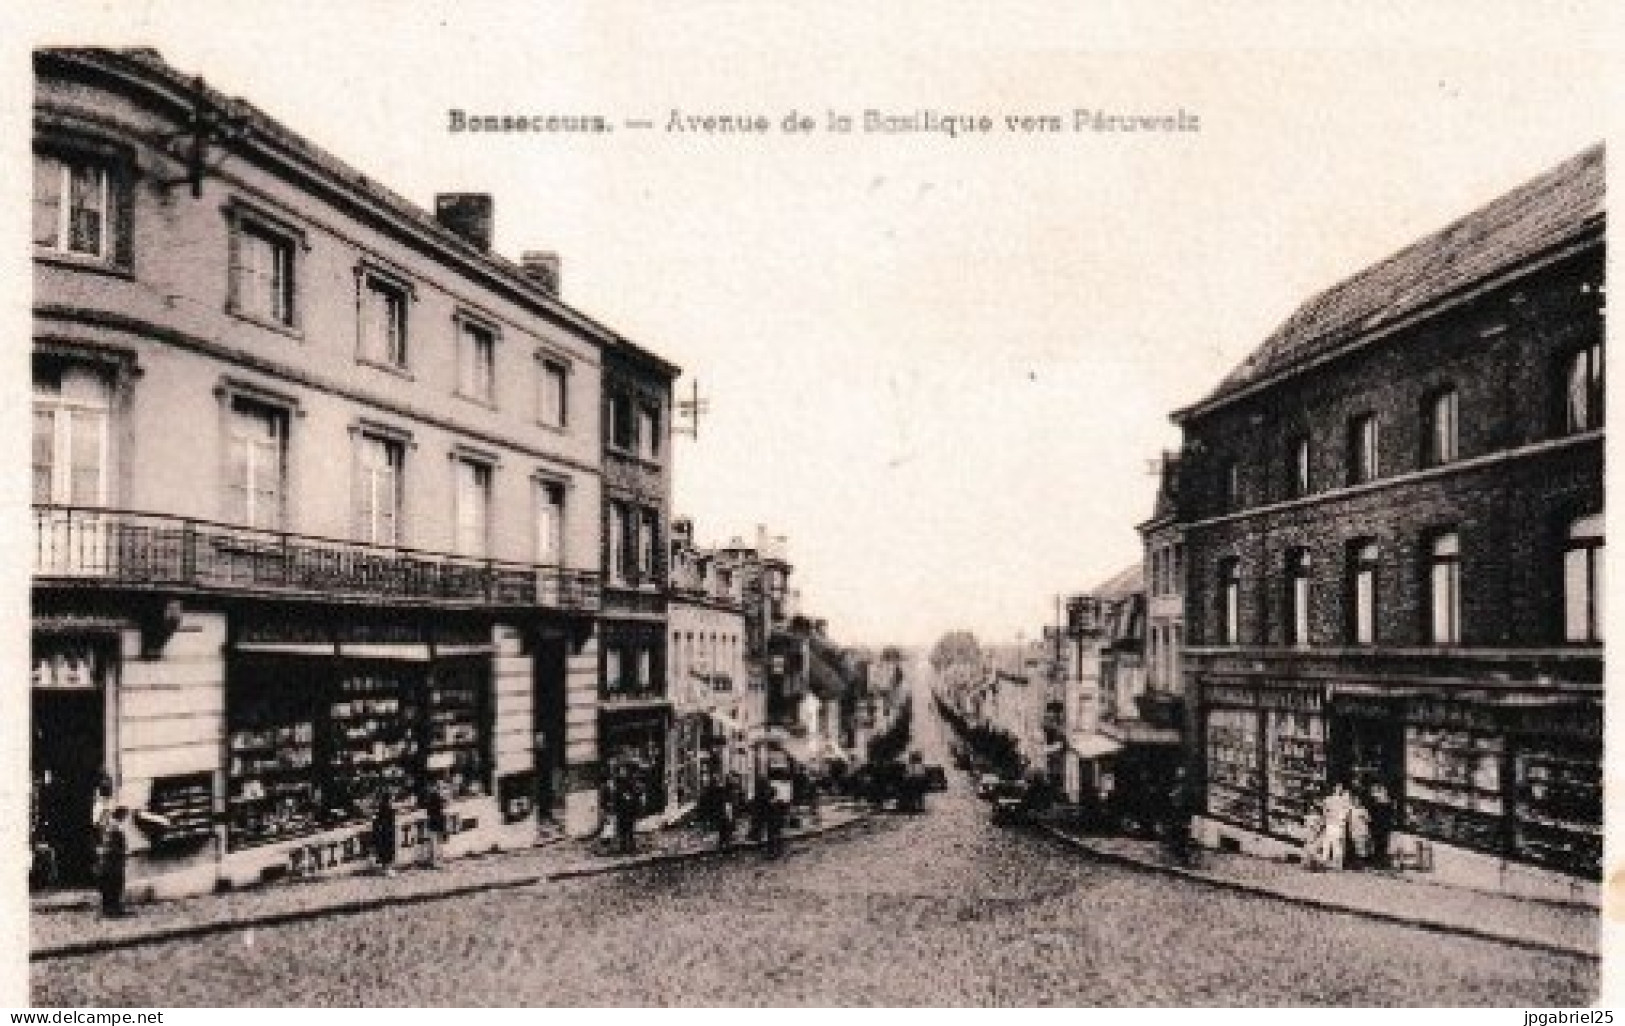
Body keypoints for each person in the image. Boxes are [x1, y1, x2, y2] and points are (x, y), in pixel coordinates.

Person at [98, 807, 130, 917]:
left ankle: (108, 909)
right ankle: (113, 909)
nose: (125, 818)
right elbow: (115, 846)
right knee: (115, 884)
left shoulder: (108, 826)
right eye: (124, 816)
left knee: (108, 885)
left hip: (108, 860)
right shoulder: (116, 828)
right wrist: (123, 853)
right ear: (121, 815)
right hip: (113, 861)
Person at [1318, 782, 1353, 870]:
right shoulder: (1329, 800)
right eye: (1337, 788)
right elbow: (1324, 810)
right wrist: (1327, 817)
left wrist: (1342, 819)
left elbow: (1347, 812)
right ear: (1334, 789)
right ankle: (1324, 861)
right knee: (1327, 843)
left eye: (1340, 788)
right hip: (1331, 823)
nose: (1339, 790)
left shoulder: (1344, 801)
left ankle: (1337, 863)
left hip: (1338, 824)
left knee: (1337, 844)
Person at [1367, 781, 1396, 869]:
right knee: (1380, 844)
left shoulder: (1380, 803)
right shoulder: (1386, 803)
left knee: (1380, 844)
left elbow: (1373, 814)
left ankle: (1380, 862)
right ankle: (1380, 862)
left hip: (1380, 826)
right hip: (1381, 826)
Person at [420, 780, 449, 869]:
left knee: (434, 841)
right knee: (437, 842)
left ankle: (435, 860)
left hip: (434, 819)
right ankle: (437, 860)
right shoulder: (439, 797)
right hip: (438, 819)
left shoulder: (433, 797)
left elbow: (428, 808)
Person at [372, 790, 398, 876]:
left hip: (384, 831)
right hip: (387, 831)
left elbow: (376, 820)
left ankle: (385, 868)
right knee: (388, 850)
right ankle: (387, 869)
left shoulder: (382, 807)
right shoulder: (387, 808)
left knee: (385, 850)